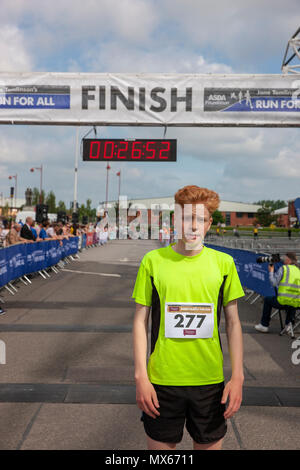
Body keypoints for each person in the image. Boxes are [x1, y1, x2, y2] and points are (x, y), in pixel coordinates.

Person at [132, 185, 245, 451]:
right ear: (175, 219)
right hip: (161, 382)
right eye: (186, 217)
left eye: (200, 219)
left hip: (208, 382)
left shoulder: (224, 264)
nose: (192, 225)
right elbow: (140, 321)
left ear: (209, 224)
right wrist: (141, 377)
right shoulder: (153, 261)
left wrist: (238, 376)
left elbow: (234, 323)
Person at [255, 252, 299, 334]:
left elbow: (274, 283)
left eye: (285, 258)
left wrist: (271, 272)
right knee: (292, 302)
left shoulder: (284, 269)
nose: (283, 260)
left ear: (289, 260)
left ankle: (264, 325)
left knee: (267, 300)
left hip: (283, 301)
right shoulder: (298, 270)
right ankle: (288, 325)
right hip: (297, 303)